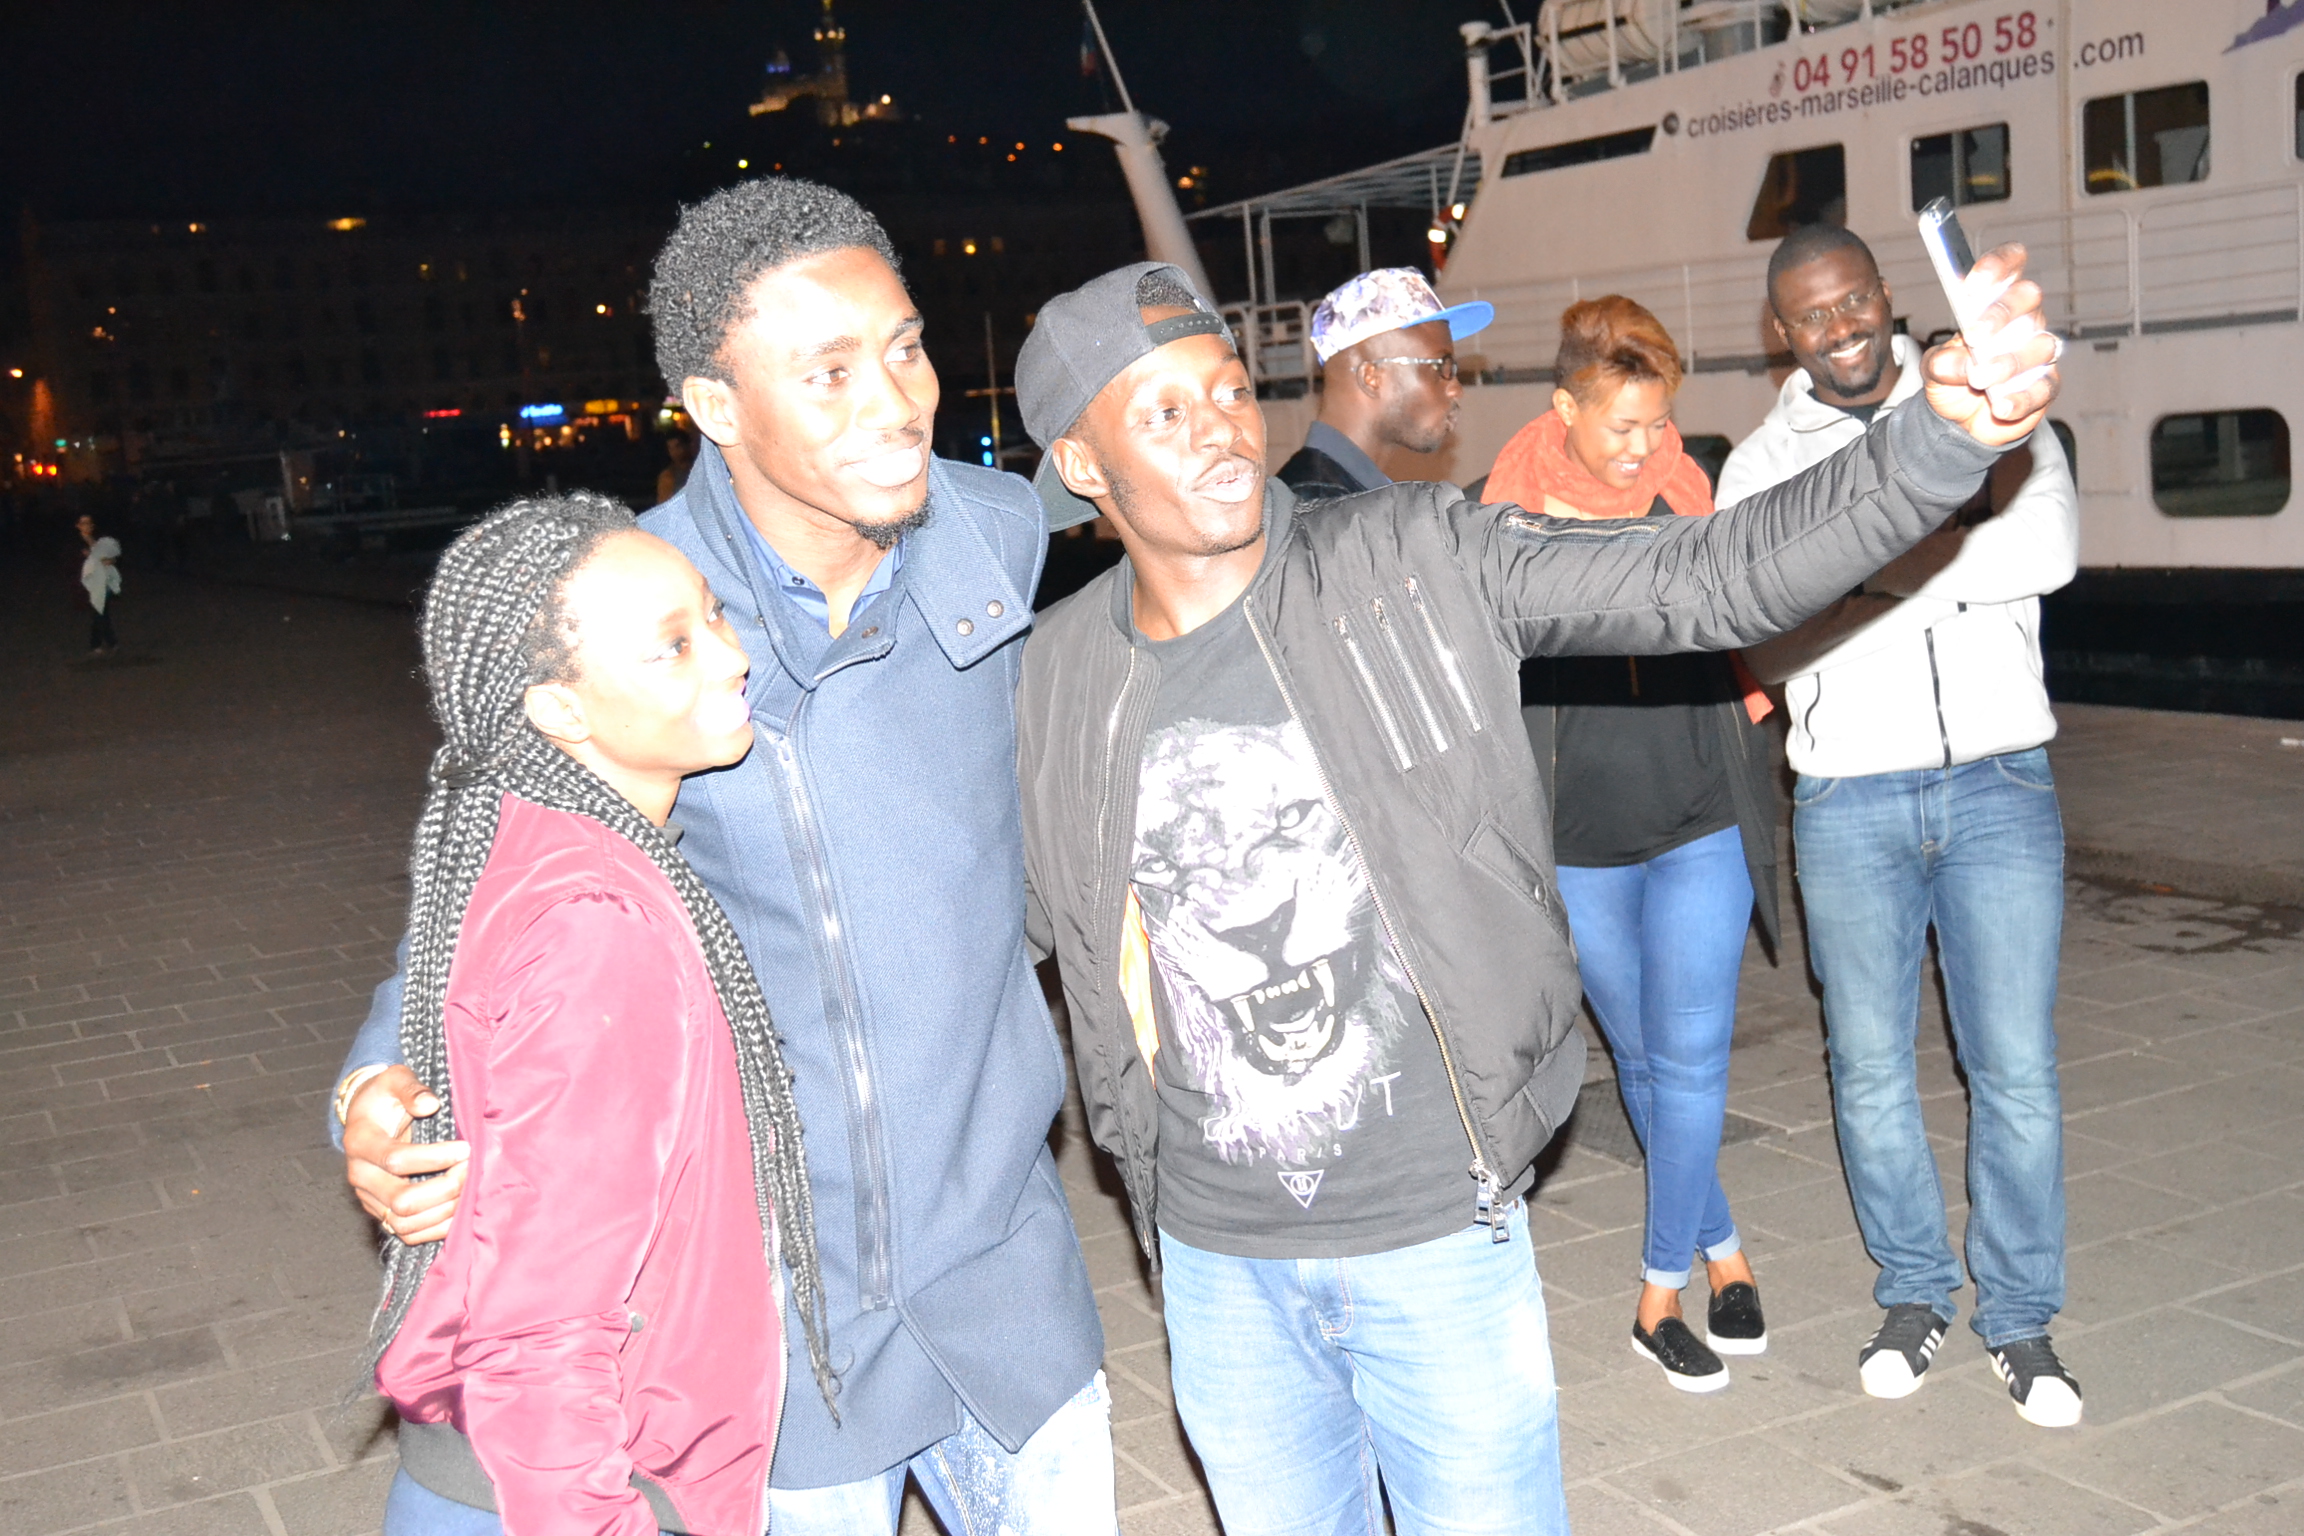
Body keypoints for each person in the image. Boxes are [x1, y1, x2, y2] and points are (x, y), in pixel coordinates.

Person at [1010, 254, 2058, 1533]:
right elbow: (1022, 926)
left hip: (1435, 1238)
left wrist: (1940, 442)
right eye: (1162, 413)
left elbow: (1711, 577)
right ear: (1080, 465)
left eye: (1227, 390)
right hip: (1219, 1265)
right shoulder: (1054, 678)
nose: (1222, 432)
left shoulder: (1415, 557)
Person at [330, 179, 1114, 1534]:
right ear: (713, 406)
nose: (898, 400)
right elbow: (494, 878)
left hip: (1005, 1280)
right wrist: (373, 1088)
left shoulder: (987, 533)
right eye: (829, 371)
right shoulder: (638, 617)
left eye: (907, 346)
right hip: (782, 1324)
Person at [365, 492, 822, 1534]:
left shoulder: (535, 837)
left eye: (713, 615)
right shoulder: (598, 925)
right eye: (672, 648)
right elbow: (542, 1331)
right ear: (560, 711)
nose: (728, 657)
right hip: (565, 1488)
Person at [1721, 223, 2083, 1428]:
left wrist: (1854, 575)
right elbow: (1760, 623)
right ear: (1784, 330)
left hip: (1999, 784)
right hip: (1846, 794)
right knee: (1868, 1070)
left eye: (1854, 301)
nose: (1840, 330)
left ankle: (2022, 1320)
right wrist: (1943, 549)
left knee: (2015, 1071)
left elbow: (2049, 547)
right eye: (1811, 316)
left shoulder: (1987, 399)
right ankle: (1916, 1293)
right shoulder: (1763, 467)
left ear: (1885, 294)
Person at [1482, 295, 1780, 1393]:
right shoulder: (1501, 514)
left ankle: (1659, 1291)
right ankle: (1726, 1249)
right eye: (1621, 426)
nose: (1646, 447)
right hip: (1578, 839)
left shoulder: (1685, 491)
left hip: (1699, 811)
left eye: (1659, 424)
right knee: (1645, 1059)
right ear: (1564, 408)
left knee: (1693, 1053)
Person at [1275, 267, 1491, 501]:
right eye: (1440, 367)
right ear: (1372, 377)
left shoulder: (1351, 496)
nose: (1456, 389)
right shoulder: (1318, 507)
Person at [78, 513, 121, 654]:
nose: (87, 525)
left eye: (89, 522)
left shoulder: (100, 540)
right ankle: (107, 641)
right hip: (90, 581)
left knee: (101, 610)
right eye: (83, 523)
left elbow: (112, 555)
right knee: (100, 611)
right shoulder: (77, 542)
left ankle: (100, 642)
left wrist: (111, 560)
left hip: (104, 579)